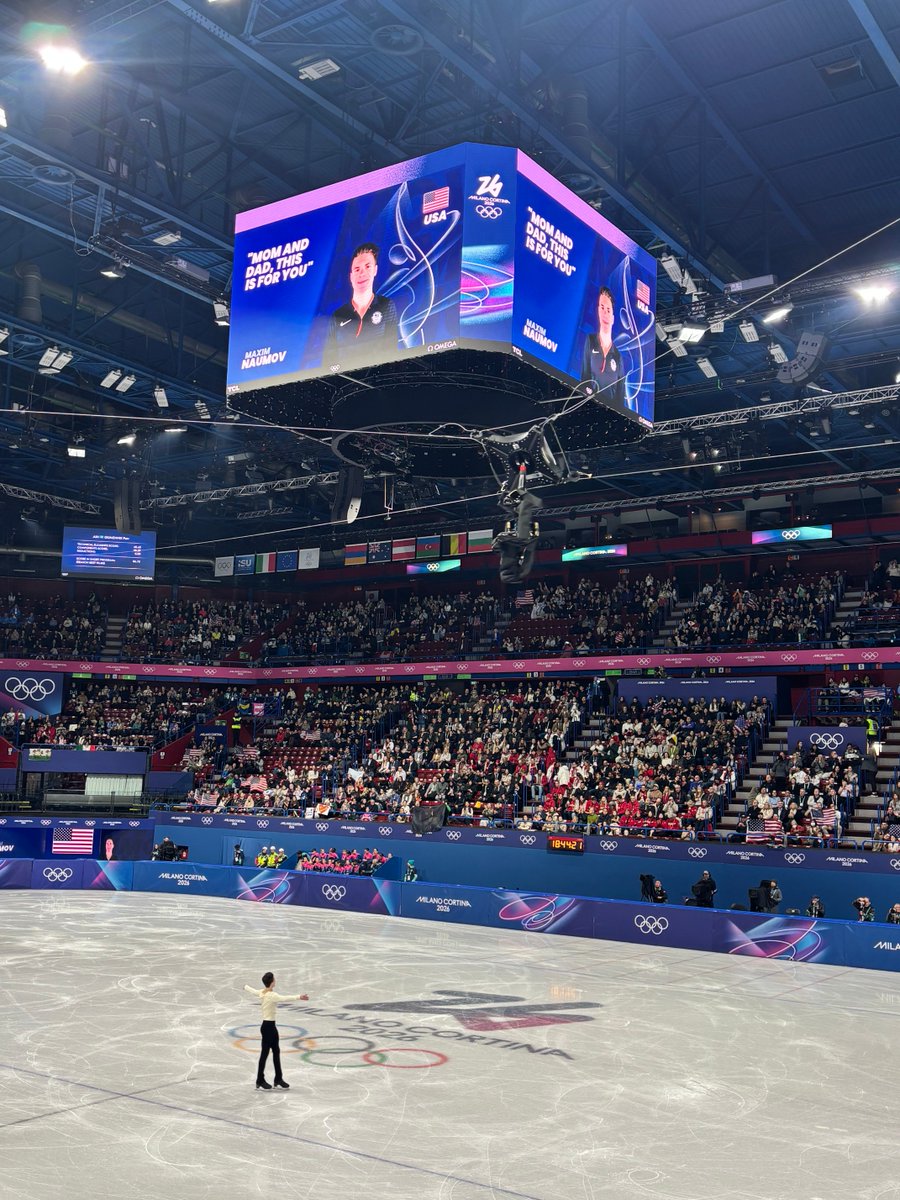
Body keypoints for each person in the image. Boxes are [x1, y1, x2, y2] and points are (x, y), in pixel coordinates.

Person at [322, 242, 399, 368]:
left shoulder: (386, 306)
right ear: (351, 276)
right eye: (357, 269)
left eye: (367, 267)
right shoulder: (338, 315)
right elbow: (327, 362)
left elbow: (391, 351)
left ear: (375, 270)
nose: (362, 273)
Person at [243, 972, 310, 1090]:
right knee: (265, 1054)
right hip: (269, 1028)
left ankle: (278, 1078)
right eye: (274, 979)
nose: (275, 980)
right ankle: (260, 1079)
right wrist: (299, 996)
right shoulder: (271, 995)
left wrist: (245, 987)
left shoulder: (262, 992)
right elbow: (284, 998)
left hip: (269, 1027)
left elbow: (253, 991)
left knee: (276, 1051)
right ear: (272, 982)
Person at [581, 285, 625, 408]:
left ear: (613, 318)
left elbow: (620, 398)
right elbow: (584, 378)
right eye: (602, 308)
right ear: (598, 311)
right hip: (589, 406)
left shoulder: (618, 357)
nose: (605, 313)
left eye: (608, 310)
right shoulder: (590, 341)